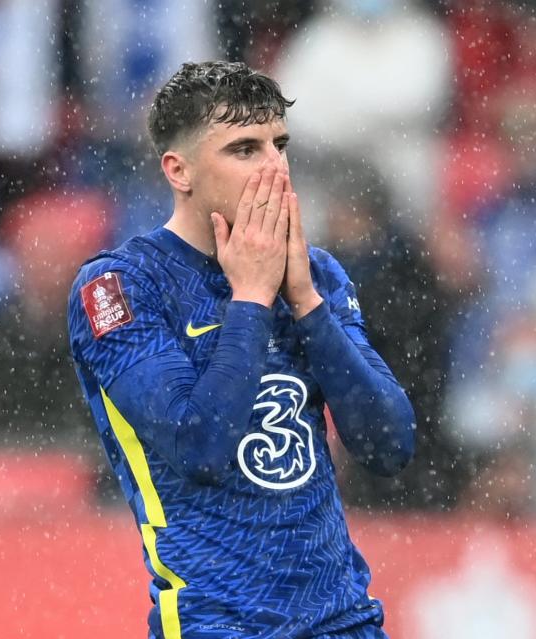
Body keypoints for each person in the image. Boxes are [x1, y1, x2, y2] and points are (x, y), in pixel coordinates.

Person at [67, 61, 415, 638]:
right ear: (179, 171)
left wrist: (305, 303)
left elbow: (390, 445)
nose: (277, 167)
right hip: (220, 625)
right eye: (246, 149)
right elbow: (199, 444)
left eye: (281, 144)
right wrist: (251, 296)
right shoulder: (119, 288)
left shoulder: (316, 275)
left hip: (344, 622)